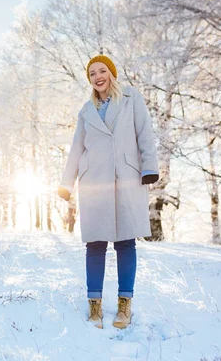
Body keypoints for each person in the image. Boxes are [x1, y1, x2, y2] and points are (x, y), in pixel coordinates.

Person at [58, 55, 159, 330]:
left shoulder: (131, 98)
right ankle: (95, 306)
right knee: (95, 244)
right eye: (92, 73)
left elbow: (145, 133)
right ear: (89, 79)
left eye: (102, 70)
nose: (98, 76)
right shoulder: (86, 111)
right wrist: (67, 183)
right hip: (95, 183)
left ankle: (125, 305)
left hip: (126, 177)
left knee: (126, 241)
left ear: (112, 73)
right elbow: (77, 149)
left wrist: (149, 167)